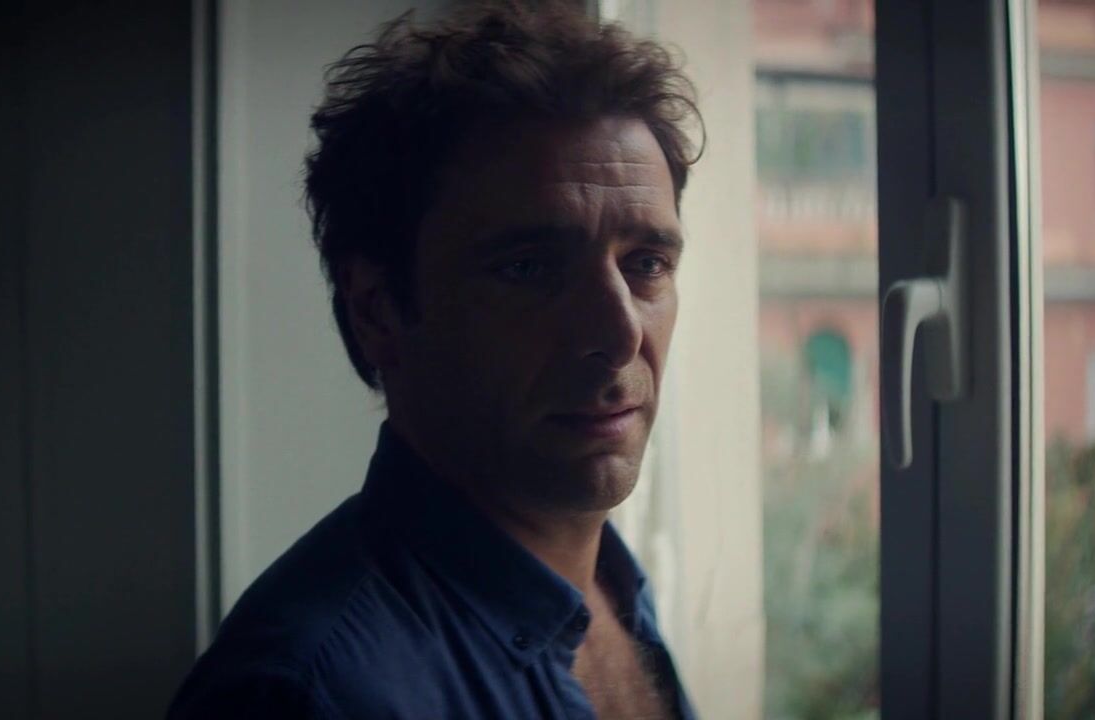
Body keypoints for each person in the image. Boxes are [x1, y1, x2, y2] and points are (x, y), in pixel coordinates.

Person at [168, 1, 702, 717]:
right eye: (529, 268)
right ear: (378, 309)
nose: (620, 332)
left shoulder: (614, 587)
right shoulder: (303, 694)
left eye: (646, 264)